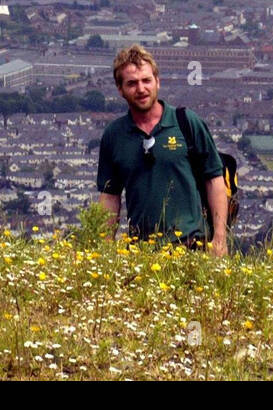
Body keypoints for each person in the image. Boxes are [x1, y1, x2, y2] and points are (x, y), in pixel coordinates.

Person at [97, 44, 227, 256]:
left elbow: (214, 180)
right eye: (132, 83)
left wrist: (219, 239)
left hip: (193, 247)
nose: (141, 89)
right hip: (141, 253)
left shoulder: (187, 122)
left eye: (146, 80)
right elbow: (109, 196)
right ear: (120, 89)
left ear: (158, 81)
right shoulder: (114, 135)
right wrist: (104, 249)